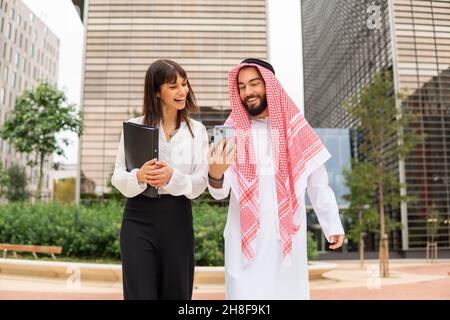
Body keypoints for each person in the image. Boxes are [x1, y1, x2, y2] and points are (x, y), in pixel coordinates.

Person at [207, 58, 345, 299]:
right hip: (245, 245)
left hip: (286, 242)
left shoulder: (296, 127)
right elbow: (219, 192)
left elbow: (318, 184)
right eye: (241, 86)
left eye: (254, 84)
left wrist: (332, 223)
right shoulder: (228, 131)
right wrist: (215, 174)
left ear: (270, 85)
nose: (247, 92)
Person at [111, 59, 208, 300]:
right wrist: (139, 176)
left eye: (184, 84)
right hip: (137, 218)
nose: (182, 91)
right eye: (173, 86)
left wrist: (173, 177)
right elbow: (117, 176)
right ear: (156, 91)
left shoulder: (197, 131)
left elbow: (199, 184)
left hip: (178, 220)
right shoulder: (134, 127)